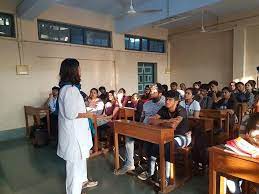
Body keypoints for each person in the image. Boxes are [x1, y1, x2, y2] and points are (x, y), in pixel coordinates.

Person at [57, 58, 97, 194]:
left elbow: (73, 107)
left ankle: (82, 183)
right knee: (74, 170)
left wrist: (86, 106)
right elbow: (71, 113)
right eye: (79, 68)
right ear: (73, 71)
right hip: (74, 137)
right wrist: (88, 115)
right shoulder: (70, 89)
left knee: (79, 165)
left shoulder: (68, 88)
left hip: (76, 135)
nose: (81, 71)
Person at [137, 92, 189, 184]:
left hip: (182, 137)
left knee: (167, 146)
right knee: (150, 142)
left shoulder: (181, 110)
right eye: (166, 99)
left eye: (170, 100)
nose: (167, 101)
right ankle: (150, 172)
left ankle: (166, 177)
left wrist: (160, 122)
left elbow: (173, 125)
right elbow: (151, 120)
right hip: (166, 135)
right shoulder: (164, 108)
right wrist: (167, 120)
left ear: (176, 101)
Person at [116, 83, 165, 175]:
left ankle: (151, 168)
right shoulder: (146, 104)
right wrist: (139, 127)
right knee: (129, 136)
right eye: (150, 90)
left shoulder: (165, 103)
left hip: (157, 131)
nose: (150, 92)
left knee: (148, 144)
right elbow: (142, 118)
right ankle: (129, 163)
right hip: (144, 129)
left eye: (153, 91)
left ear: (160, 93)